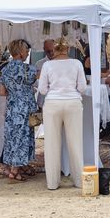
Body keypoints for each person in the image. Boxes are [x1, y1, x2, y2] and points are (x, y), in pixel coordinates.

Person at [37, 38, 87, 190]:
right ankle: (79, 180)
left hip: (52, 103)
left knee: (51, 143)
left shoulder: (47, 65)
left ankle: (52, 182)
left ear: (55, 50)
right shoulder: (77, 63)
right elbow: (83, 87)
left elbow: (42, 90)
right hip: (73, 102)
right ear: (68, 50)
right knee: (75, 143)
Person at [0, 39, 37, 183]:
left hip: (12, 107)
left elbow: (2, 92)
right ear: (20, 52)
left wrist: (14, 92)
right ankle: (15, 170)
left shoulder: (5, 69)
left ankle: (17, 166)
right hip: (25, 108)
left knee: (12, 137)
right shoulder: (29, 69)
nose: (27, 53)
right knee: (23, 137)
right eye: (26, 50)